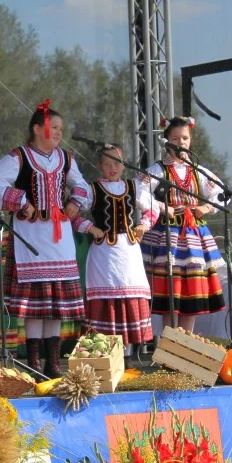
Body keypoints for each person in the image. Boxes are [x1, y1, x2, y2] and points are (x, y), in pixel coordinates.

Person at [0, 101, 89, 377]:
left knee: (53, 305)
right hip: (31, 236)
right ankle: (32, 363)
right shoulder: (20, 156)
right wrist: (21, 202)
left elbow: (82, 185)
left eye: (60, 129)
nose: (58, 133)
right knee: (35, 306)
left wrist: (76, 203)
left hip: (58, 238)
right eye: (53, 127)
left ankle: (53, 364)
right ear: (37, 128)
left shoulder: (65, 158)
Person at [138, 116, 226, 334]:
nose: (181, 142)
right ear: (167, 141)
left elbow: (222, 193)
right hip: (167, 235)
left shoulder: (198, 171)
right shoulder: (157, 170)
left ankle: (186, 344)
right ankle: (169, 345)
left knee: (190, 291)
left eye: (185, 138)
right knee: (169, 290)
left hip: (193, 236)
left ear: (190, 140)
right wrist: (160, 206)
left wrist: (206, 208)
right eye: (176, 138)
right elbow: (139, 192)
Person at [72, 143, 160, 358]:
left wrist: (143, 225)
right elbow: (71, 214)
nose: (112, 167)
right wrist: (90, 227)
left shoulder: (133, 187)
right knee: (107, 300)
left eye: (117, 163)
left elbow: (153, 208)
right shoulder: (93, 190)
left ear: (123, 165)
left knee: (129, 297)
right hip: (104, 254)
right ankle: (107, 355)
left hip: (128, 251)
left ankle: (128, 355)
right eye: (107, 163)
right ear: (100, 165)